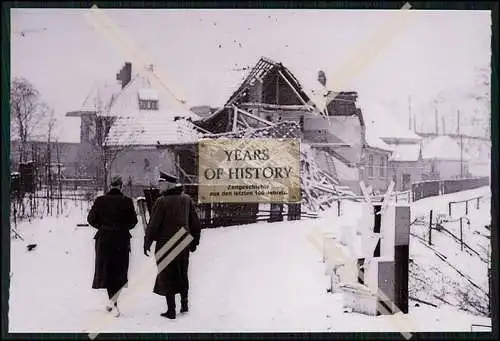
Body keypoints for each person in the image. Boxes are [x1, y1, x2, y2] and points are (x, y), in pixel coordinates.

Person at [143, 171, 201, 319]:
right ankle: (184, 304)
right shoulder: (186, 199)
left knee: (167, 275)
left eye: (161, 183)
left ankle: (171, 310)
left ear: (167, 184)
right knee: (182, 272)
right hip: (183, 243)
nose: (159, 186)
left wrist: (147, 242)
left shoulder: (161, 202)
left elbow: (153, 225)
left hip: (166, 244)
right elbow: (195, 222)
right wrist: (195, 241)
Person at [87, 175, 138, 317]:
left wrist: (103, 227)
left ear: (110, 186)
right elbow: (133, 222)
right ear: (121, 186)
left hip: (104, 240)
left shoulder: (100, 201)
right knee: (120, 271)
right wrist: (121, 228)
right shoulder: (127, 202)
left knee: (107, 271)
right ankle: (114, 301)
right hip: (121, 240)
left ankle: (112, 301)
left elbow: (91, 219)